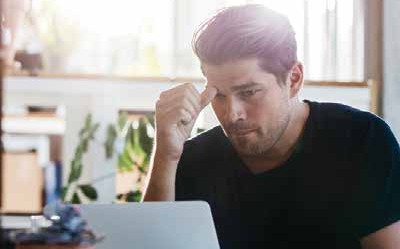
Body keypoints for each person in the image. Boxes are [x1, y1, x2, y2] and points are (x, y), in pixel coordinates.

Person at [143, 4, 400, 249]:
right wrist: (167, 155)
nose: (232, 114)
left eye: (249, 92)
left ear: (294, 79)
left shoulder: (362, 141)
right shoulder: (192, 160)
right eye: (219, 95)